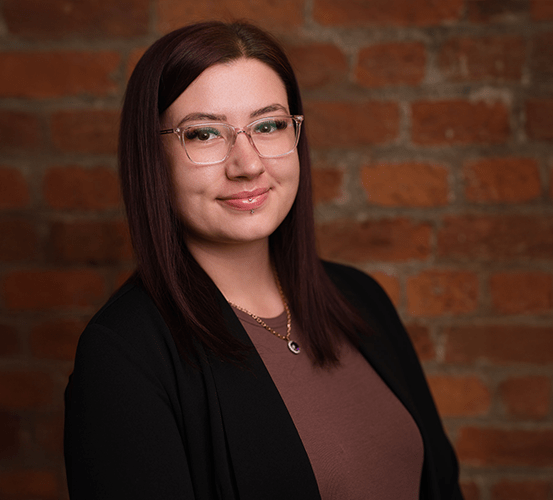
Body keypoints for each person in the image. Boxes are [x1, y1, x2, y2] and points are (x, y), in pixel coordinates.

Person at [64, 20, 463, 500]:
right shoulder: (122, 355)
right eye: (205, 134)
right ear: (152, 156)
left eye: (269, 125)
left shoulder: (361, 298)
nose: (248, 163)